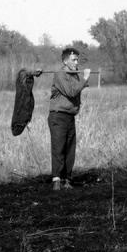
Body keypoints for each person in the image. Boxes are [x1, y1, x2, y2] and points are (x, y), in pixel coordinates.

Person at [48, 47, 91, 191]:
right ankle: (56, 181)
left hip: (70, 116)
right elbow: (71, 91)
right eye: (74, 60)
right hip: (58, 116)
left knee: (70, 150)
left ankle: (67, 180)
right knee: (58, 148)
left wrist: (81, 80)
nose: (77, 62)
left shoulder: (74, 74)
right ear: (65, 61)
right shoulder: (60, 74)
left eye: (77, 59)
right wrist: (84, 79)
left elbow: (77, 88)